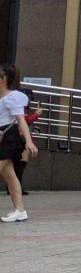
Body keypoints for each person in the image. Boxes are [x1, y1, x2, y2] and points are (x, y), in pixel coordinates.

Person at [0, 63, 36, 222]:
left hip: (8, 138)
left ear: (3, 79)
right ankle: (20, 211)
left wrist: (29, 141)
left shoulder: (13, 97)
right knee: (10, 176)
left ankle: (20, 211)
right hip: (3, 137)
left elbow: (21, 121)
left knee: (9, 175)